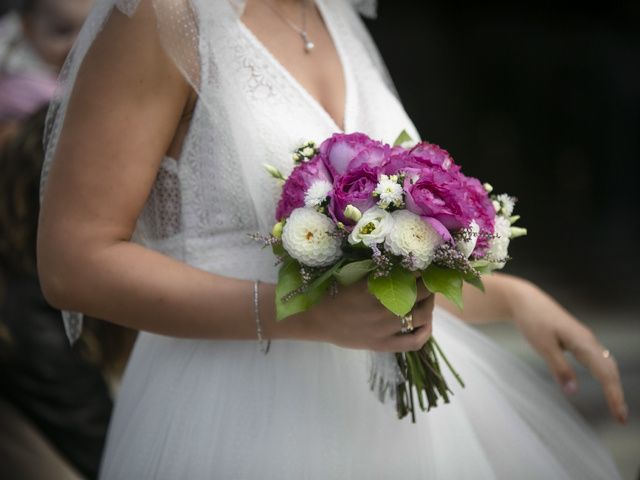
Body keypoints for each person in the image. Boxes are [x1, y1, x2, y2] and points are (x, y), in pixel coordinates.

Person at [37, 0, 627, 478]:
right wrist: (304, 317)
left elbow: (377, 262)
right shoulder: (160, 18)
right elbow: (73, 262)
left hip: (395, 435)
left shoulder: (333, 14)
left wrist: (513, 299)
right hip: (231, 418)